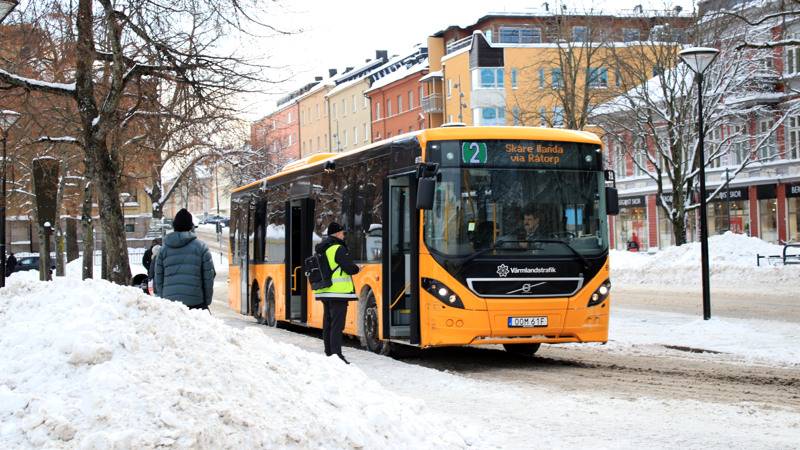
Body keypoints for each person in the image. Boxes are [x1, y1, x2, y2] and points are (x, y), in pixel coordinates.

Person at [313, 222, 361, 364]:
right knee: (337, 325)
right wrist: (357, 269)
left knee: (328, 324)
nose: (343, 235)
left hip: (325, 291)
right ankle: (336, 355)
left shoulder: (323, 248)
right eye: (342, 233)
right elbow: (349, 268)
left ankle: (329, 353)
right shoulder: (338, 249)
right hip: (338, 293)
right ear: (339, 233)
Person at [155, 209, 215, 311]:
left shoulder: (163, 250)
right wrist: (206, 301)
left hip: (170, 303)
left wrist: (163, 297)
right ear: (191, 226)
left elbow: (158, 277)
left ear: (174, 225)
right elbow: (208, 276)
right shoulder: (201, 247)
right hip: (195, 301)